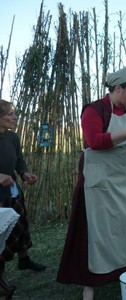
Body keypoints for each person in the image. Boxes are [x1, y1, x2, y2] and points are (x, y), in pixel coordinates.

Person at [57, 67, 126, 300]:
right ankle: (90, 284)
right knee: (99, 230)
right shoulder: (94, 109)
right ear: (117, 88)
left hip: (125, 176)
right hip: (100, 180)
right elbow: (95, 141)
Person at [0, 100, 47, 298]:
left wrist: (25, 173)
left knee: (21, 225)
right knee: (1, 235)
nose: (15, 117)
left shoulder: (12, 137)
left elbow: (19, 160)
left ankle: (24, 259)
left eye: (15, 113)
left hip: (12, 191)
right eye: (11, 114)